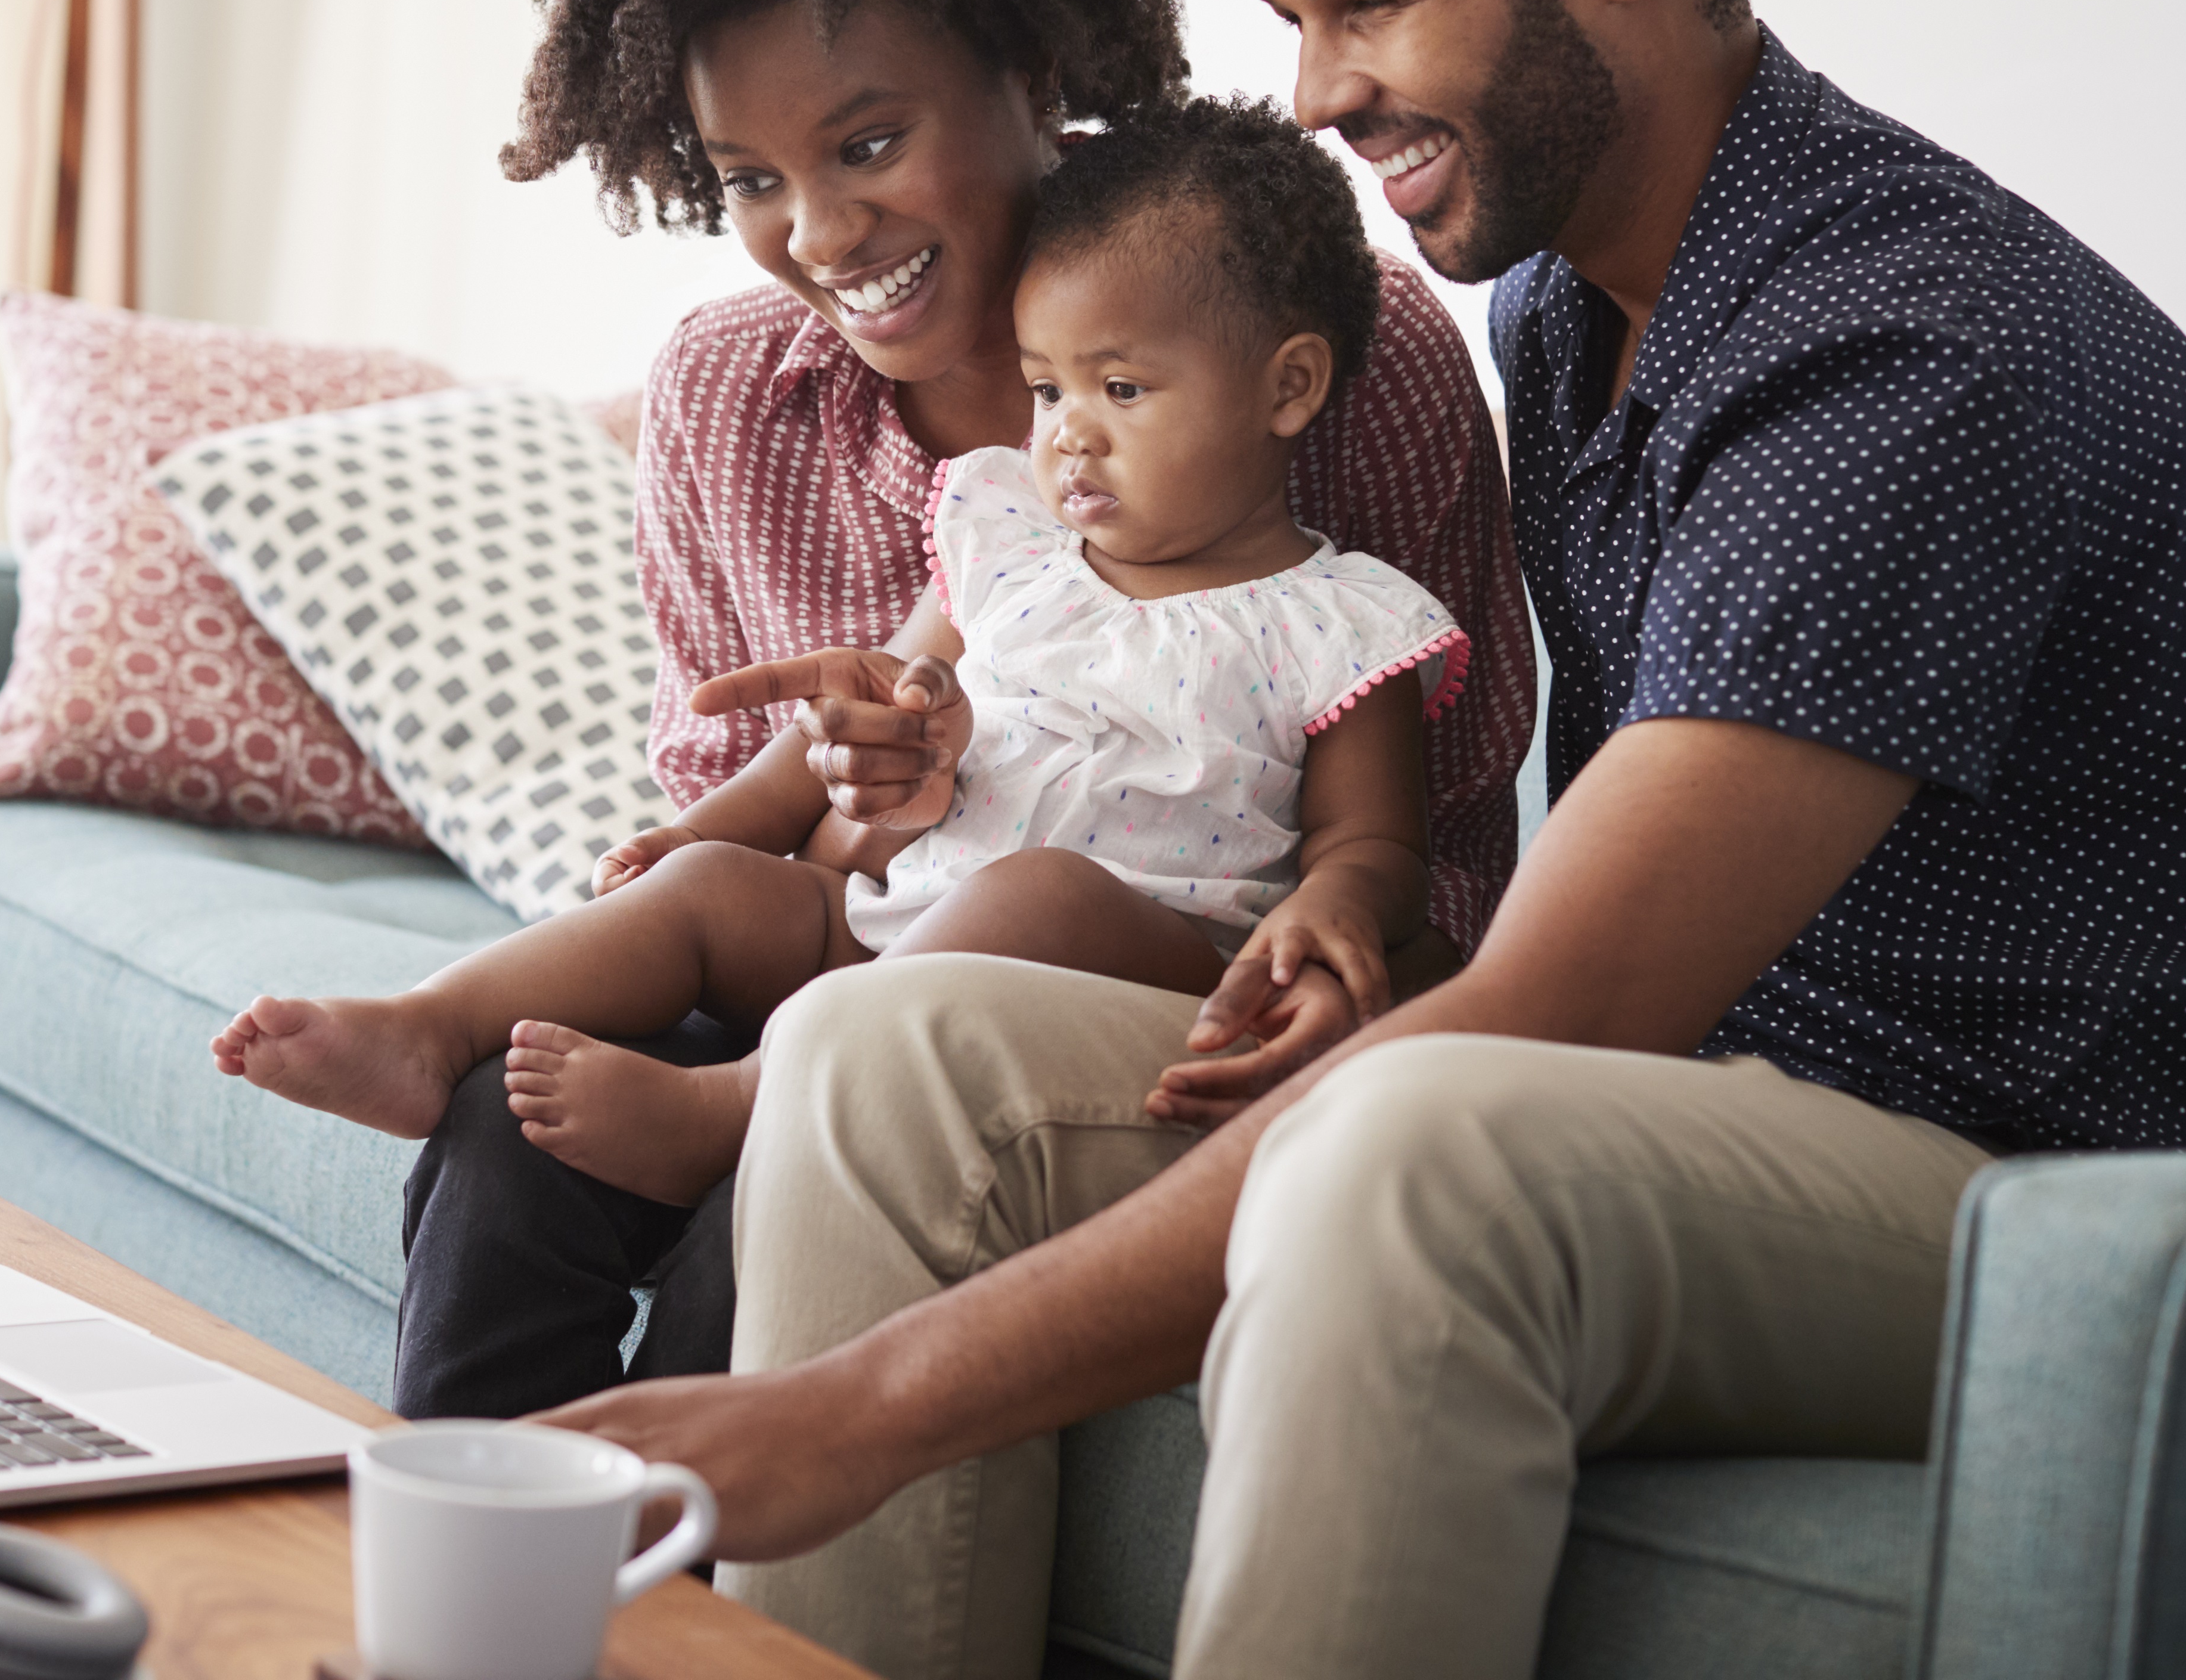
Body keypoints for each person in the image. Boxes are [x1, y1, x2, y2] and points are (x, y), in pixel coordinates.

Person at [540, 0, 2186, 1680]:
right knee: (887, 1045)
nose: (1318, 92)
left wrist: (854, 1405)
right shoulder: (1571, 303)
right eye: (1296, 19)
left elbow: (1566, 1001)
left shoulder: (1899, 348)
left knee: (1408, 1154)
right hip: (1741, 1100)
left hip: (2089, 1195)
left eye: (1365, 7)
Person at [385, 0, 1537, 1422]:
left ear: (1030, 65)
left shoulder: (1330, 348)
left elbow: (1432, 874)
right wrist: (867, 806)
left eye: (866, 145)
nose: (823, 237)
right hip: (844, 948)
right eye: (753, 181)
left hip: (1120, 1001)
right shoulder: (727, 400)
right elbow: (756, 856)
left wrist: (1318, 952)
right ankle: (462, 1587)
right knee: (500, 1136)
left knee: (781, 1216)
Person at [215, 97, 1469, 1204]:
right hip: (888, 919)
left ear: (1288, 389)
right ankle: (430, 1026)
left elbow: (1373, 847)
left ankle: (737, 1110)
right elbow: (872, 712)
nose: (1070, 439)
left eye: (1122, 392)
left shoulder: (1341, 619)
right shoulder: (1008, 541)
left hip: (1130, 967)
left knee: (1040, 889)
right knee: (712, 898)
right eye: (1047, 391)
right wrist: (709, 837)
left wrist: (1332, 920)